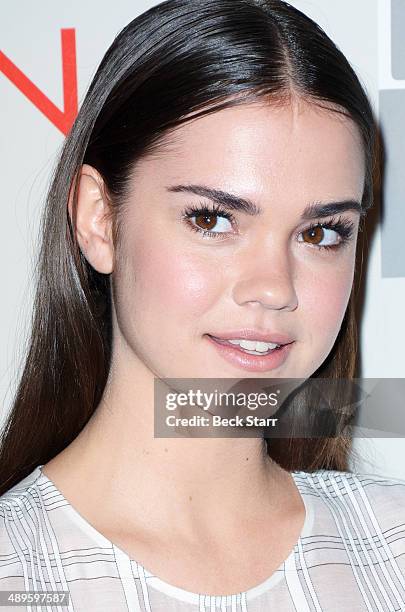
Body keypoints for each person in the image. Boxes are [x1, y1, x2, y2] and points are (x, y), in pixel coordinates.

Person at [1, 0, 405, 610]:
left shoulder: (392, 546)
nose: (274, 287)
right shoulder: (16, 571)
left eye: (321, 233)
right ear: (99, 219)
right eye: (211, 219)